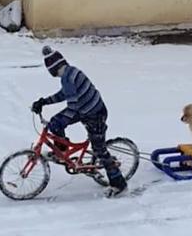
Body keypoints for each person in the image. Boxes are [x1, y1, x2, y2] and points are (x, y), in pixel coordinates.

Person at [31, 46, 127, 196]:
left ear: (53, 69)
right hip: (84, 109)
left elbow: (73, 106)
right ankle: (62, 152)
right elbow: (65, 94)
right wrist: (44, 101)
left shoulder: (69, 77)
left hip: (95, 113)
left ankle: (119, 183)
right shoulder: (68, 73)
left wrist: (64, 119)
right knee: (56, 122)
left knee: (99, 150)